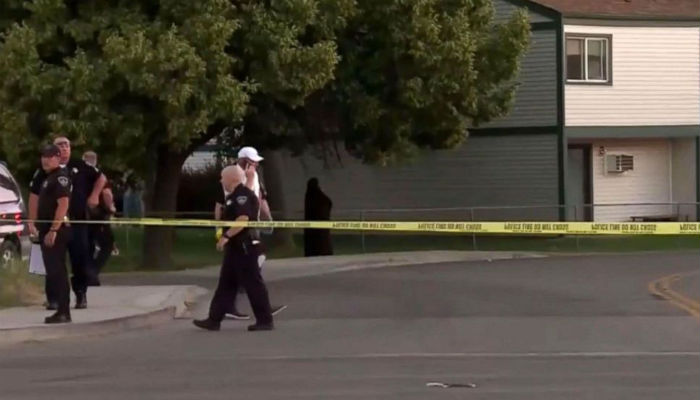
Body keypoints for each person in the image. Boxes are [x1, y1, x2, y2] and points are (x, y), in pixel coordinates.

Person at [29, 136, 107, 309]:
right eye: (60, 145)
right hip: (54, 223)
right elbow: (34, 195)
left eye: (67, 145)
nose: (64, 148)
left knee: (79, 259)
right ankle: (54, 298)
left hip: (77, 221)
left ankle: (80, 293)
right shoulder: (44, 171)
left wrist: (94, 196)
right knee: (53, 262)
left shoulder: (80, 165)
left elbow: (101, 177)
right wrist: (32, 221)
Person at [194, 165, 274, 331]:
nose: (221, 181)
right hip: (235, 248)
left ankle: (265, 320)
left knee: (253, 283)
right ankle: (214, 319)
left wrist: (226, 236)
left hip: (245, 247)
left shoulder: (242, 196)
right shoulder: (233, 196)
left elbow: (242, 219)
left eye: (223, 177)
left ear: (232, 179)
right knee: (226, 283)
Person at [35, 144, 72, 324]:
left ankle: (64, 311)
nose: (45, 160)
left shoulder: (60, 178)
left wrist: (54, 229)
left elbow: (63, 204)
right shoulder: (48, 178)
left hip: (55, 231)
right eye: (43, 156)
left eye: (49, 157)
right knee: (53, 271)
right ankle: (61, 310)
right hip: (47, 230)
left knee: (57, 271)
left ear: (58, 158)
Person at [83, 151, 116, 285]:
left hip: (83, 215)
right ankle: (93, 272)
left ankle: (89, 275)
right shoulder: (98, 175)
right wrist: (111, 207)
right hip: (98, 215)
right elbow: (107, 193)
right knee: (107, 244)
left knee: (88, 246)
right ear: (95, 161)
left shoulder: (78, 176)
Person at [304, 177, 333, 256]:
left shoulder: (309, 195)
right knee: (322, 244)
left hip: (311, 226)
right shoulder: (318, 195)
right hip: (321, 227)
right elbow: (328, 202)